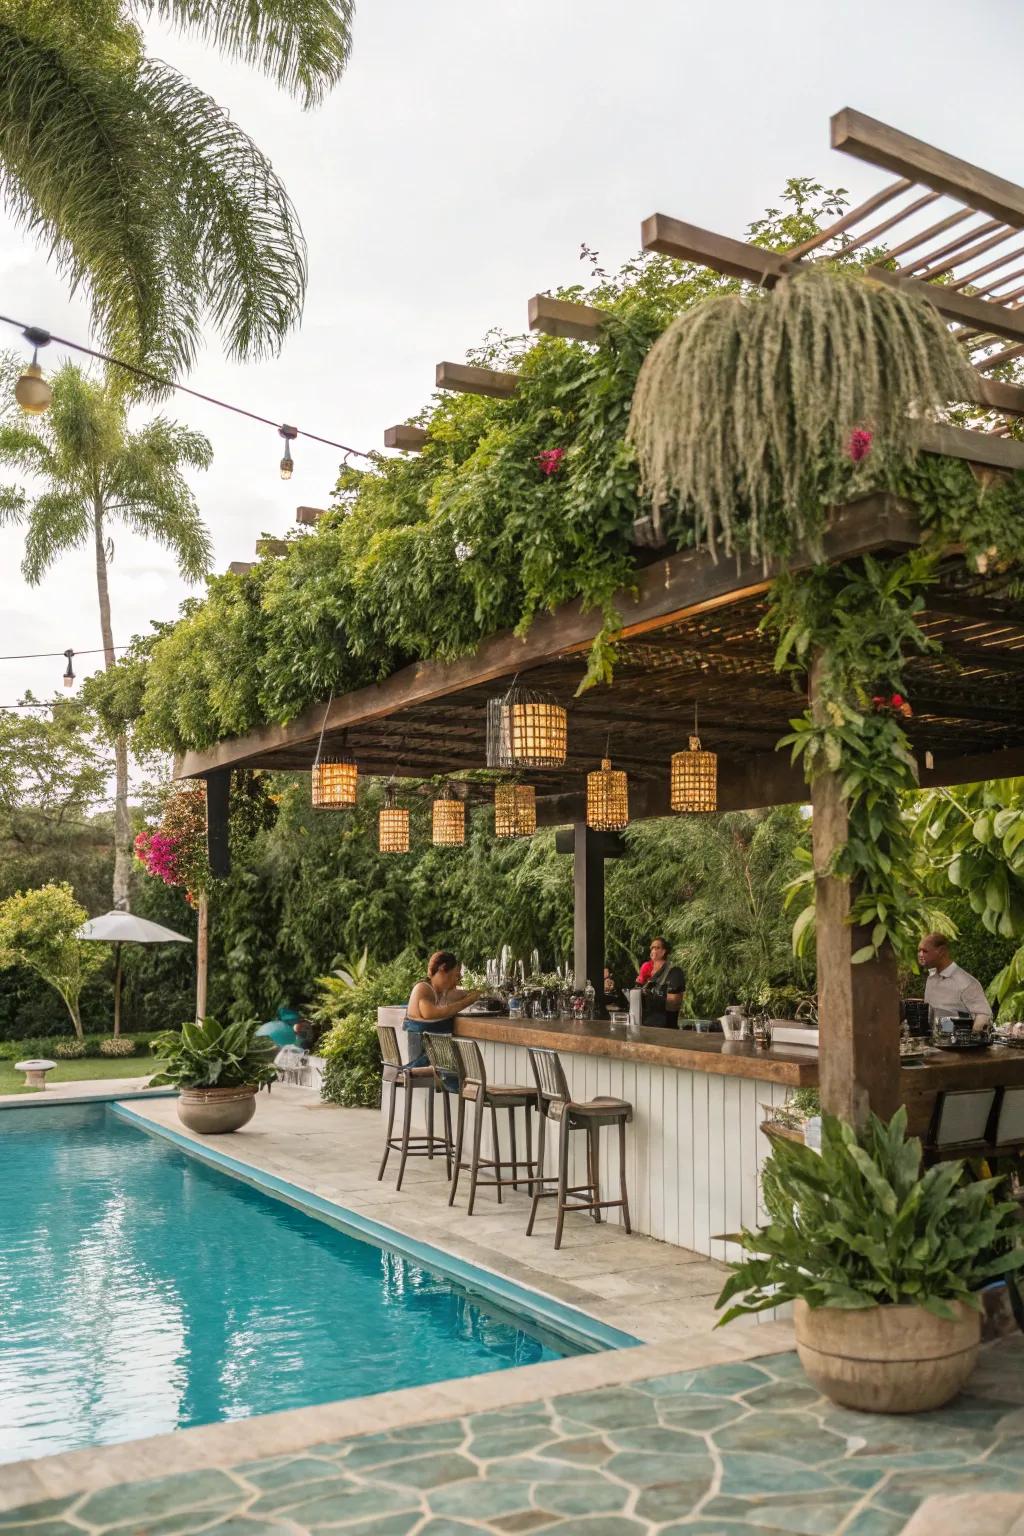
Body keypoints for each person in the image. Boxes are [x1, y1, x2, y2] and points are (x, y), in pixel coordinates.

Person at [403, 951, 484, 1068]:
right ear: (442, 970)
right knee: (463, 1068)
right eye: (454, 975)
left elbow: (461, 994)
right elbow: (430, 1013)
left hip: (434, 1061)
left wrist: (479, 993)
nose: (456, 980)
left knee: (460, 1068)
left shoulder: (440, 992)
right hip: (420, 1062)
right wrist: (469, 1000)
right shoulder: (422, 988)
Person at [917, 932, 992, 1033]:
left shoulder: (966, 982)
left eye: (925, 951)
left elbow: (984, 1016)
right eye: (919, 951)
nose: (920, 955)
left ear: (941, 951)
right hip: (931, 1043)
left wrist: (972, 1038)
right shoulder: (931, 978)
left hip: (957, 1044)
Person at [639, 937, 685, 1030]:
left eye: (657, 948)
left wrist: (650, 997)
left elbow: (674, 1004)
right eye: (652, 948)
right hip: (647, 1026)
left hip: (666, 1029)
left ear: (664, 951)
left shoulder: (674, 972)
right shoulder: (649, 972)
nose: (653, 950)